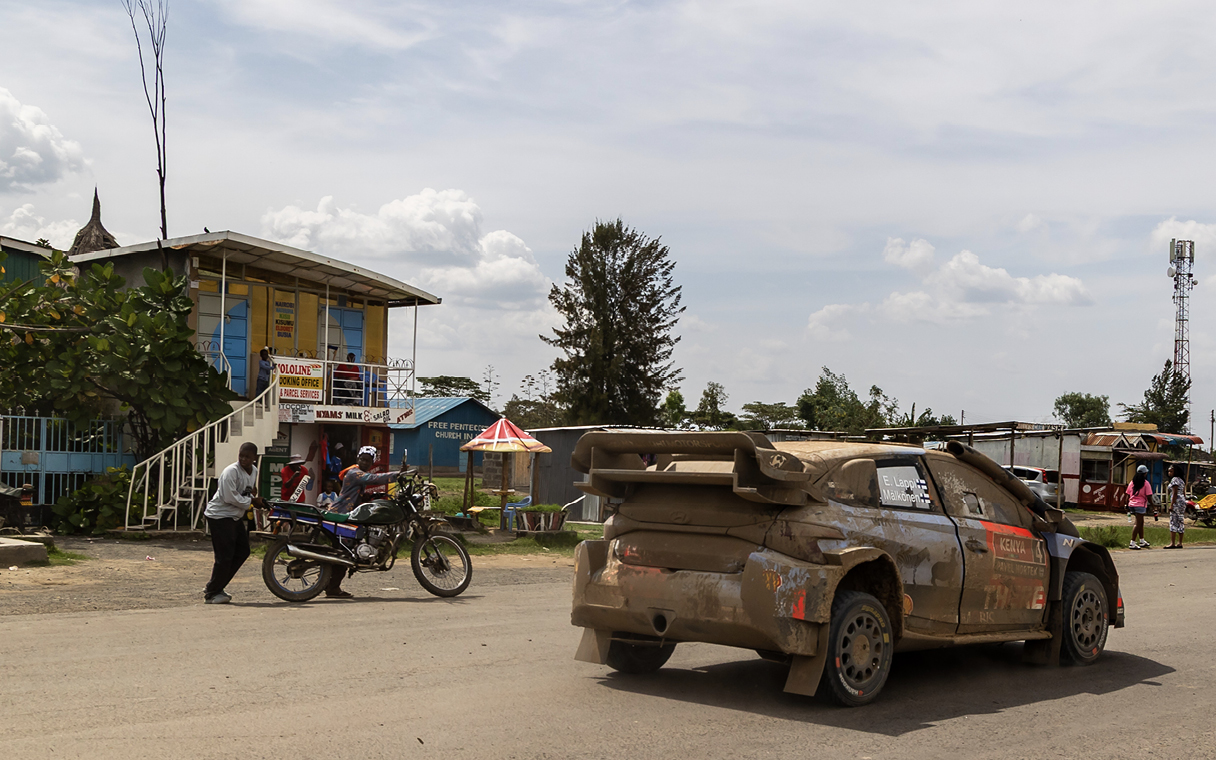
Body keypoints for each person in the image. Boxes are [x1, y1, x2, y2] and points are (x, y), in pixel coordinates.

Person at [324, 445, 406, 598]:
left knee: (343, 551)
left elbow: (356, 494)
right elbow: (374, 478)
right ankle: (332, 587)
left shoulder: (358, 474)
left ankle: (330, 585)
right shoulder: (354, 473)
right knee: (344, 553)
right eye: (363, 459)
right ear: (358, 459)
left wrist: (372, 496)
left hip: (347, 514)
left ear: (372, 463)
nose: (365, 463)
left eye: (368, 461)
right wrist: (398, 474)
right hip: (340, 514)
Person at [203, 442, 266, 604]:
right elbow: (229, 497)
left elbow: (247, 489)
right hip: (220, 516)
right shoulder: (230, 472)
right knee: (225, 555)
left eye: (247, 457)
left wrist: (253, 495)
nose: (243, 459)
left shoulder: (254, 471)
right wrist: (252, 501)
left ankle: (217, 585)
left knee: (243, 551)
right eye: (241, 456)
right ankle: (212, 593)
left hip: (235, 516)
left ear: (254, 458)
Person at [1126, 464, 1153, 550]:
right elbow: (1149, 496)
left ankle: (1142, 540)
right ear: (1145, 473)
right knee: (1137, 524)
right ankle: (1132, 542)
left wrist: (1126, 504)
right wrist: (1153, 506)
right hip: (1140, 505)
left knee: (1141, 522)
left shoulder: (1132, 482)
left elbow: (1127, 494)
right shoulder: (1146, 483)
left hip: (1132, 505)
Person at [1166, 465, 1187, 549]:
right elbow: (1183, 493)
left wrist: (1171, 505)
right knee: (1180, 521)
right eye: (1168, 471)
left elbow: (1175, 493)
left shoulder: (1174, 480)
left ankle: (1172, 543)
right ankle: (1180, 542)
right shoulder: (1182, 480)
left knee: (1173, 521)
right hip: (1182, 502)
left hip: (1176, 502)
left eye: (1171, 471)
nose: (1169, 473)